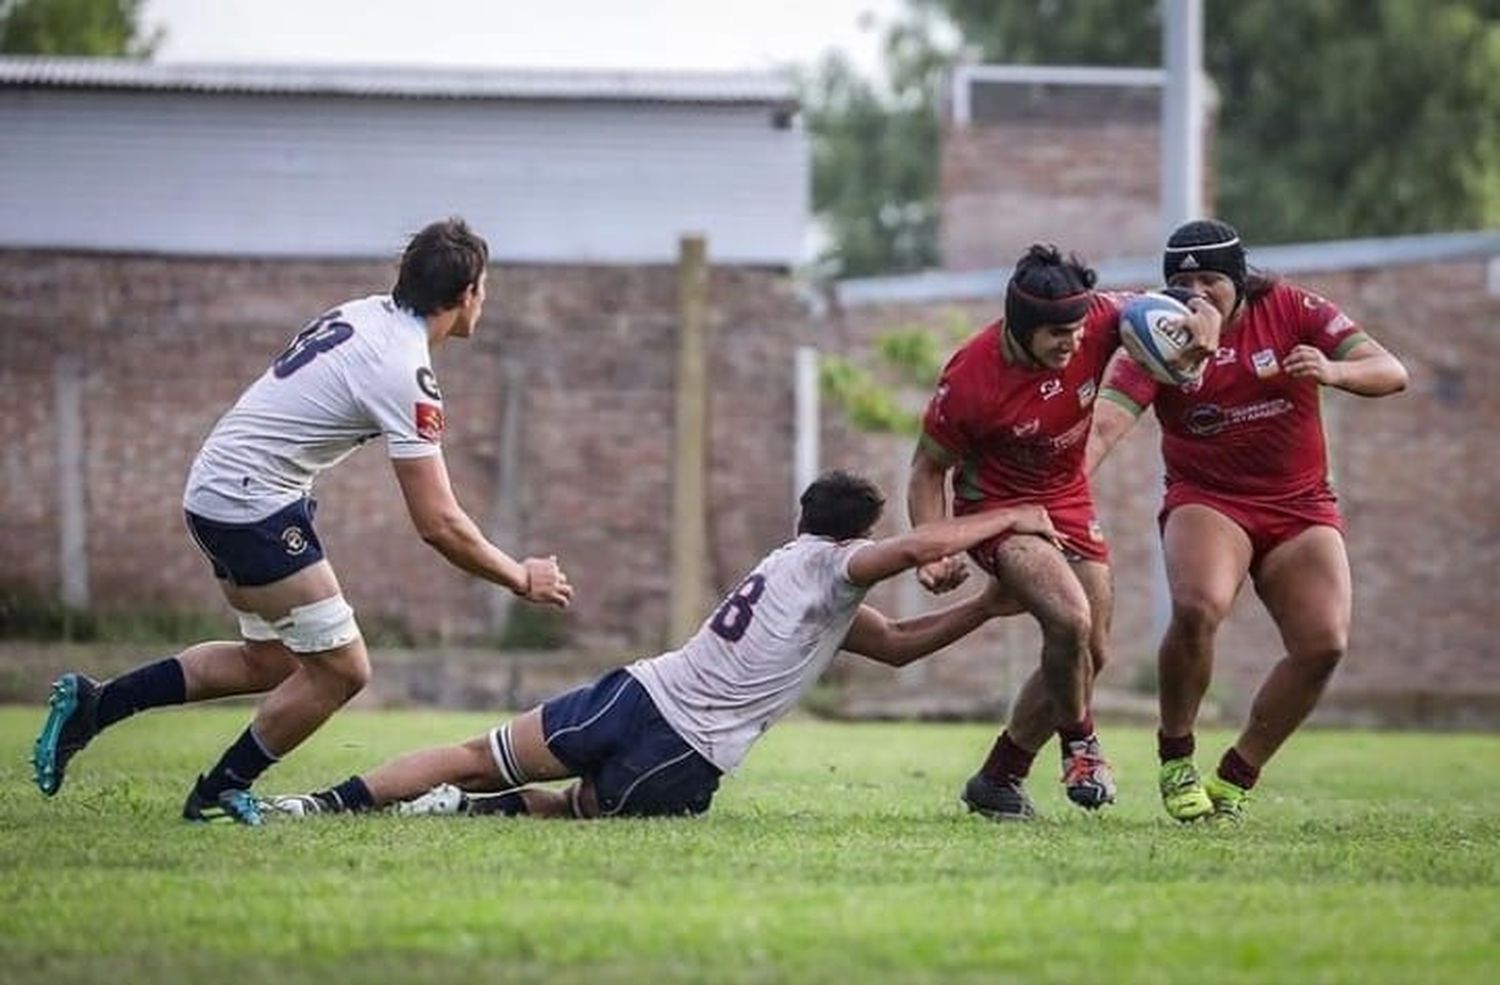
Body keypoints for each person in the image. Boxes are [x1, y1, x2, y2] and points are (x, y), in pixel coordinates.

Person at [31, 217, 573, 826]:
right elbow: (439, 522)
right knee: (343, 670)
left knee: (269, 662)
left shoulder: (365, 313)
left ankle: (94, 706)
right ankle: (218, 793)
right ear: (468, 292)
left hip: (225, 486)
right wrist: (520, 577)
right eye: (486, 286)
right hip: (250, 501)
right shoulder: (405, 371)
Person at [267, 471, 1051, 821]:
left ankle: (323, 804)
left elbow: (901, 643)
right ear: (854, 535)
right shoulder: (836, 562)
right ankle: (459, 813)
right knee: (573, 810)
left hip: (636, 690)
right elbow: (917, 550)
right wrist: (1016, 516)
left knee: (478, 751)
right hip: (687, 749)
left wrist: (988, 604)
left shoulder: (792, 570)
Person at [1086, 218, 1408, 823]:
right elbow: (1105, 425)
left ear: (1237, 279)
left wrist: (1333, 371)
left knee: (1323, 644)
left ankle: (1237, 776)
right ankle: (1176, 753)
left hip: (1300, 505)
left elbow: (1391, 372)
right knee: (1198, 606)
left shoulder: (1289, 307)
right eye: (1184, 282)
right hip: (1208, 498)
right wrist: (1062, 495)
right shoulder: (1160, 336)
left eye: (1211, 279)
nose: (1198, 293)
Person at [908, 244, 1220, 821]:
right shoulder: (972, 379)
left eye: (1078, 331)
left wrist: (1205, 324)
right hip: (997, 510)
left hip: (1067, 497)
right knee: (1069, 619)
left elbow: (1185, 300)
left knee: (1091, 652)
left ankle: (999, 777)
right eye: (1057, 335)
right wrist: (930, 548)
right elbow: (928, 469)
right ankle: (1082, 745)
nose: (1073, 344)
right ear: (1020, 329)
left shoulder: (1102, 316)